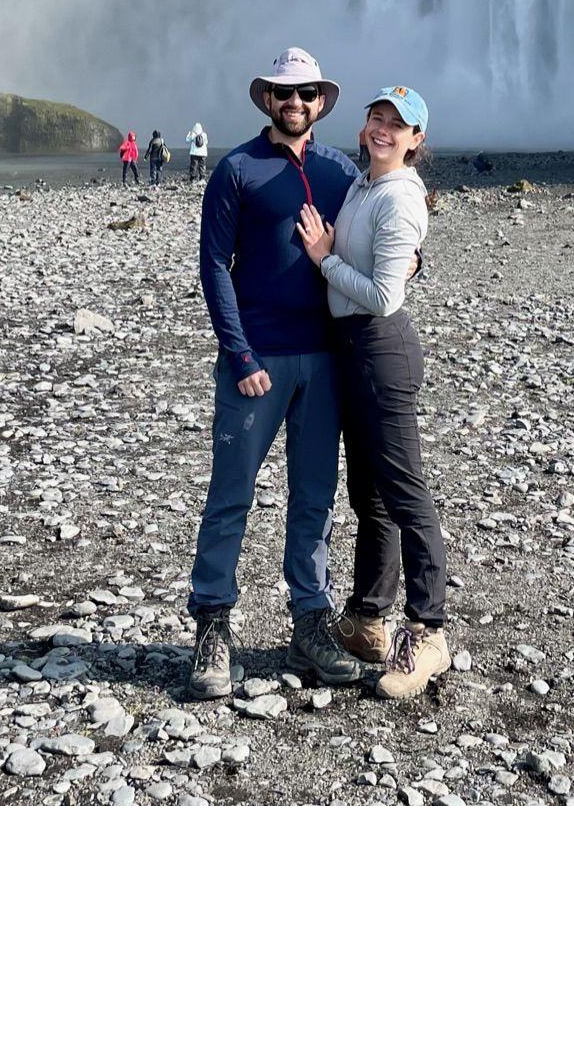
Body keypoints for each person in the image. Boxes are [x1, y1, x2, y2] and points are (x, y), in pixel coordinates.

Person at [184, 48, 369, 697]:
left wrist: (409, 252)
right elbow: (213, 266)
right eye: (285, 94)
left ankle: (310, 620)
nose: (296, 103)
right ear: (267, 99)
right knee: (231, 492)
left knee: (314, 496)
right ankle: (211, 624)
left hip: (323, 360)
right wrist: (239, 355)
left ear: (320, 101)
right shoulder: (235, 169)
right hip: (255, 362)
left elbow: (373, 242)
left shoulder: (340, 170)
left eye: (307, 94)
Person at [299, 85, 451, 701]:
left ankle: (430, 629)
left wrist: (323, 260)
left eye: (398, 124)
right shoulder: (364, 185)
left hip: (381, 349)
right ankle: (367, 619)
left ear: (416, 141)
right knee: (371, 496)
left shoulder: (399, 197)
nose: (383, 129)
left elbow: (386, 293)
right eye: (377, 118)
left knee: (404, 491)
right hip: (353, 351)